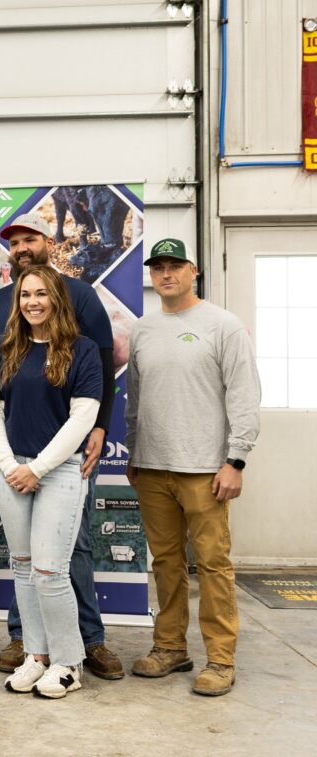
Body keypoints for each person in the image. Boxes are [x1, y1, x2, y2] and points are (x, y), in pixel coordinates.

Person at [0, 213, 123, 680]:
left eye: (29, 238)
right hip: (13, 459)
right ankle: (30, 647)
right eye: (13, 241)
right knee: (23, 561)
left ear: (48, 242)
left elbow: (99, 367)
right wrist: (4, 461)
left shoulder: (81, 298)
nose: (21, 247)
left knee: (65, 552)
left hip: (64, 455)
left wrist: (99, 426)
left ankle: (84, 644)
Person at [126, 238, 260, 697]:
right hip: (152, 465)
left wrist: (235, 460)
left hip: (205, 468)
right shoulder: (143, 329)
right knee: (165, 563)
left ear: (193, 271)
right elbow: (136, 400)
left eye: (174, 266)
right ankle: (170, 648)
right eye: (158, 267)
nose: (166, 274)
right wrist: (132, 449)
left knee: (212, 565)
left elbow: (244, 395)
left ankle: (221, 659)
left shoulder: (223, 325)